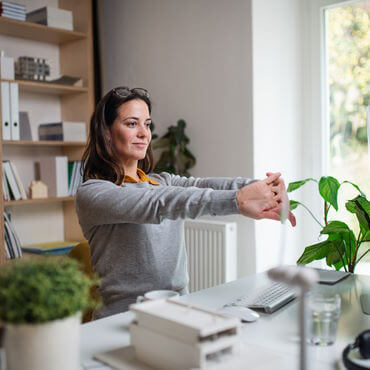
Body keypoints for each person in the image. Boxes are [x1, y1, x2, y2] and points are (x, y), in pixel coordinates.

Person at [76, 87, 296, 319]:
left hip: (179, 310)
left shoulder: (163, 181)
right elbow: (160, 203)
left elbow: (205, 185)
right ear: (107, 133)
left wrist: (264, 186)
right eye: (132, 124)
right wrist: (238, 201)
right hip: (123, 318)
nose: (144, 133)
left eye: (147, 124)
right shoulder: (94, 193)